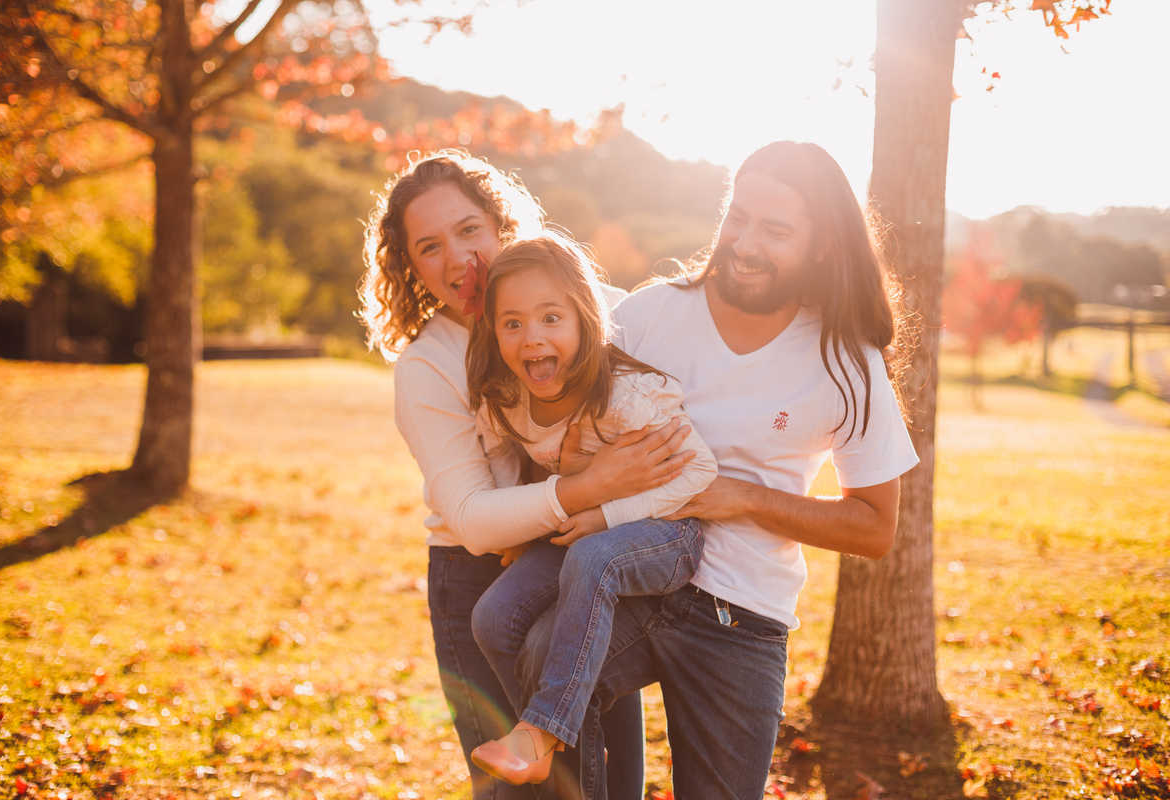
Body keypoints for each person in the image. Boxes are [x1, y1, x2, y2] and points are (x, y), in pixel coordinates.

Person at [514, 140, 921, 800]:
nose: (745, 243)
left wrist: (739, 497)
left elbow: (874, 527)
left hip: (742, 616)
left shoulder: (846, 359)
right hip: (636, 586)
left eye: (775, 229)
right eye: (738, 216)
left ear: (822, 245)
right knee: (539, 656)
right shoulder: (648, 315)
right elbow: (564, 424)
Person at [359, 151, 694, 800]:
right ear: (411, 269)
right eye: (430, 248)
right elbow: (474, 521)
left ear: (500, 225)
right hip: (477, 576)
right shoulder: (429, 365)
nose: (459, 259)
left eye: (469, 230)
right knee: (519, 791)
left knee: (611, 780)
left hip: (585, 563)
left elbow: (673, 330)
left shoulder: (586, 311)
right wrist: (591, 487)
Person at [458, 233, 717, 784]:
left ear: (585, 318)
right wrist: (523, 527)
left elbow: (699, 473)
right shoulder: (509, 399)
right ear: (493, 331)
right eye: (512, 323)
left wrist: (604, 516)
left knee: (592, 557)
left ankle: (541, 732)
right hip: (584, 530)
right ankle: (557, 752)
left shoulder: (627, 398)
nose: (532, 337)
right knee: (493, 617)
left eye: (551, 318)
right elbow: (503, 457)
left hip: (665, 533)